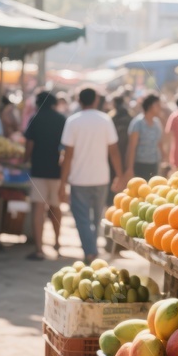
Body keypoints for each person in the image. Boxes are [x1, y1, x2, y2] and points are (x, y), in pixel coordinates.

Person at [60, 88, 123, 262]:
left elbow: (68, 155)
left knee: (82, 220)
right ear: (96, 100)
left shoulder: (73, 121)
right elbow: (114, 151)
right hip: (101, 177)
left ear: (79, 101)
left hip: (79, 179)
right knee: (95, 219)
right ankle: (92, 250)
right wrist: (119, 174)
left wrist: (62, 183)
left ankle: (90, 251)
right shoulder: (105, 120)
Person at [24, 91, 66, 260]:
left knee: (38, 209)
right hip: (57, 171)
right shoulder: (61, 119)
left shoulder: (35, 118)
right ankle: (57, 243)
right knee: (56, 207)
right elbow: (66, 147)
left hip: (38, 170)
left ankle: (39, 249)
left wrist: (24, 159)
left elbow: (29, 146)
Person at [125, 93, 164, 181]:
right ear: (150, 106)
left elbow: (159, 143)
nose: (160, 108)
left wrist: (164, 159)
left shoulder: (157, 123)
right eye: (157, 105)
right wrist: (129, 168)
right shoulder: (137, 123)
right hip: (140, 165)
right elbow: (132, 148)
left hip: (154, 164)